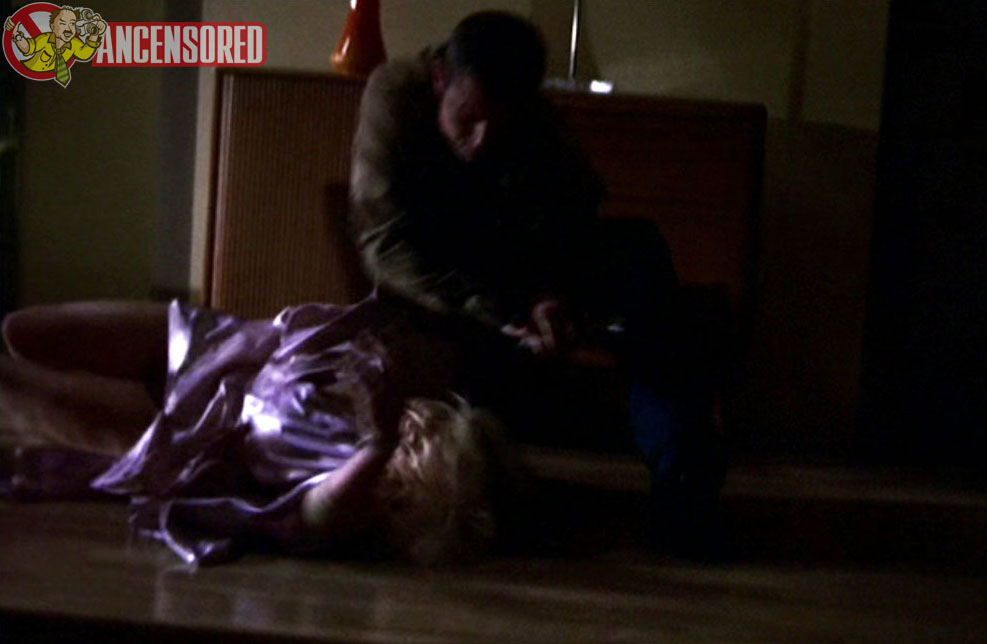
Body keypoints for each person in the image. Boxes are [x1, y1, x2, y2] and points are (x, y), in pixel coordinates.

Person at [350, 11, 725, 557]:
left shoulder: (532, 117)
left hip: (515, 276)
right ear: (440, 81)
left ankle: (685, 486)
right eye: (467, 120)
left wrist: (551, 294)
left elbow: (575, 205)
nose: (480, 142)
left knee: (639, 252)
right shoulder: (396, 96)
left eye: (497, 126)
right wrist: (499, 308)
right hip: (441, 290)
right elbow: (385, 246)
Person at [0, 297, 505, 566]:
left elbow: (315, 515)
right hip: (213, 347)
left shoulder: (358, 499)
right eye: (420, 437)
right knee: (22, 331)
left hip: (182, 438)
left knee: (13, 386)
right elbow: (300, 330)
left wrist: (380, 442)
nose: (413, 440)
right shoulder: (383, 391)